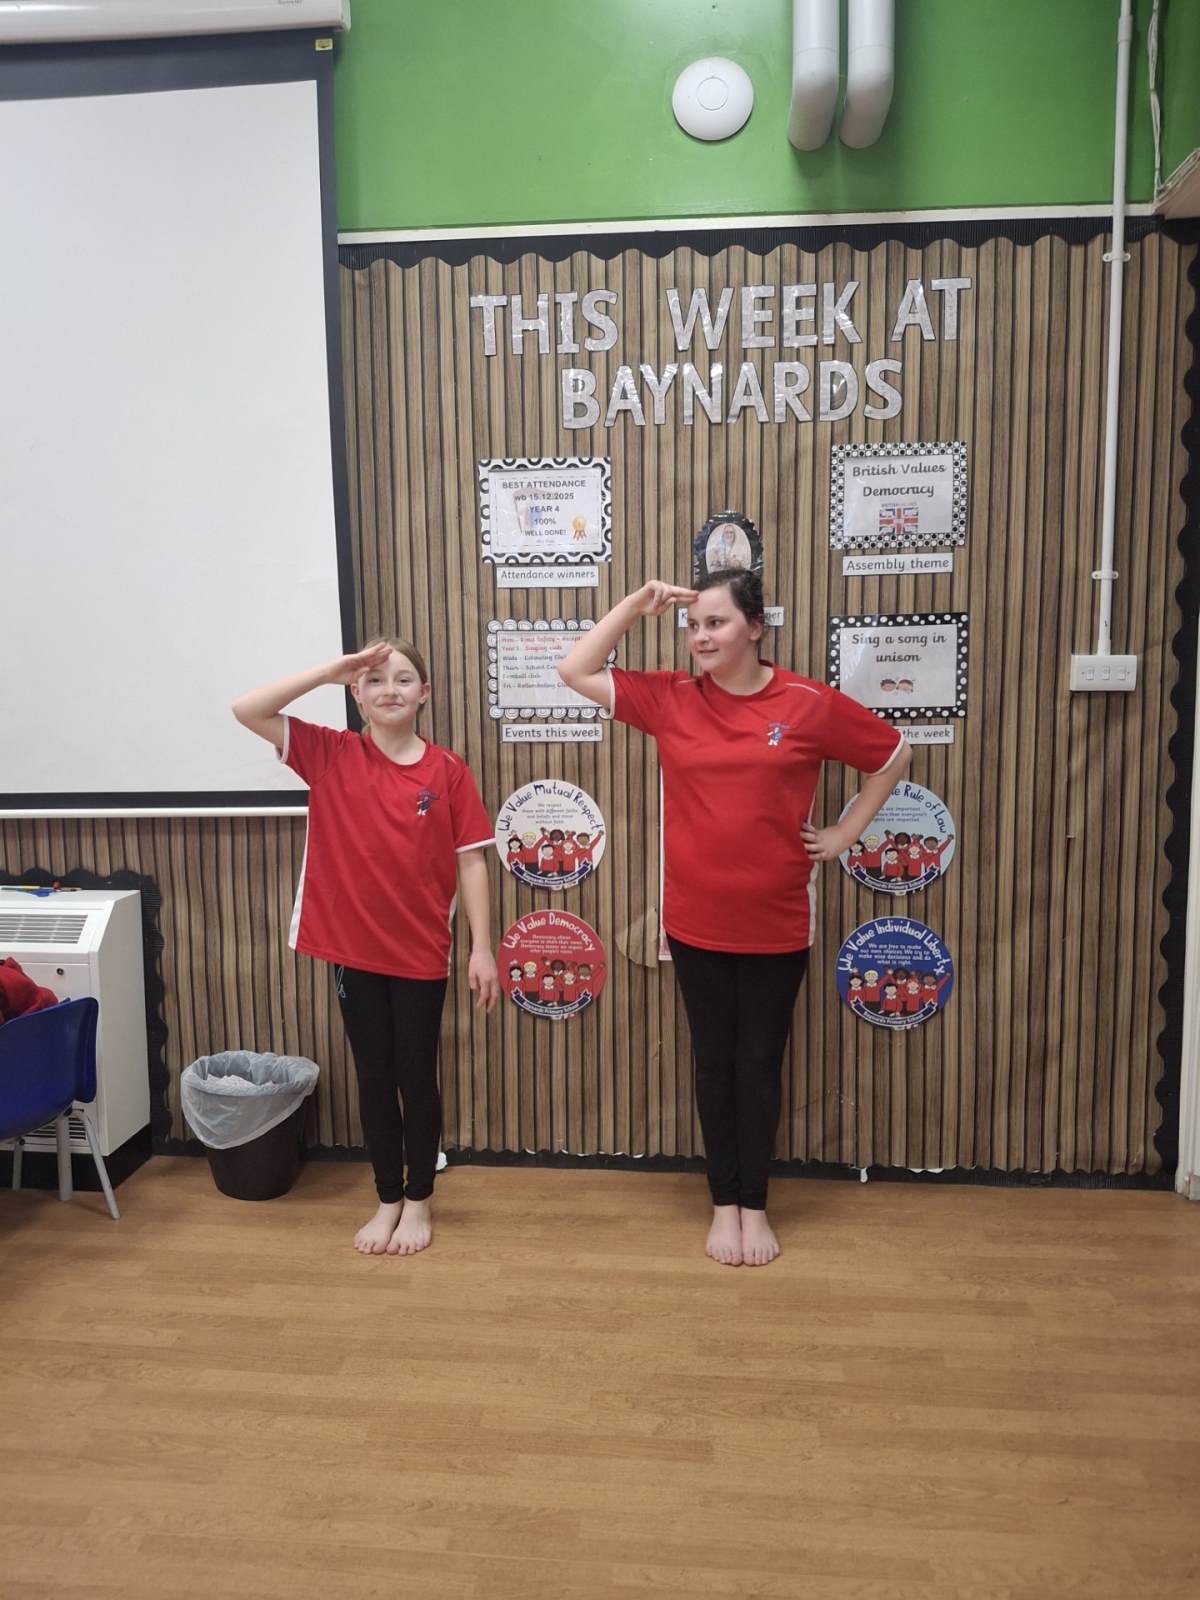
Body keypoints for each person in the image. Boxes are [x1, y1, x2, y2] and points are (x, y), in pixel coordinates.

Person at [557, 570, 910, 1267]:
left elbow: (895, 754)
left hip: (778, 924)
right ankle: (724, 1205)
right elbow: (575, 669)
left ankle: (756, 1206)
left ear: (755, 626)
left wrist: (843, 835)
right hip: (695, 925)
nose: (700, 637)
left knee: (760, 1066)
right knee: (714, 1065)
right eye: (693, 626)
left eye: (715, 623)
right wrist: (635, 605)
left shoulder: (806, 703)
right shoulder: (670, 698)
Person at [232, 638, 499, 1257]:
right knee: (374, 1078)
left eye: (403, 679)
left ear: (424, 694)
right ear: (356, 695)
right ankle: (387, 1199)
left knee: (416, 1077)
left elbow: (472, 863)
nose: (389, 690)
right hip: (354, 955)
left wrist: (481, 948)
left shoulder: (447, 771)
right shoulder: (330, 754)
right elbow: (248, 709)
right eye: (375, 680)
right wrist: (329, 670)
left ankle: (420, 1200)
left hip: (421, 954)